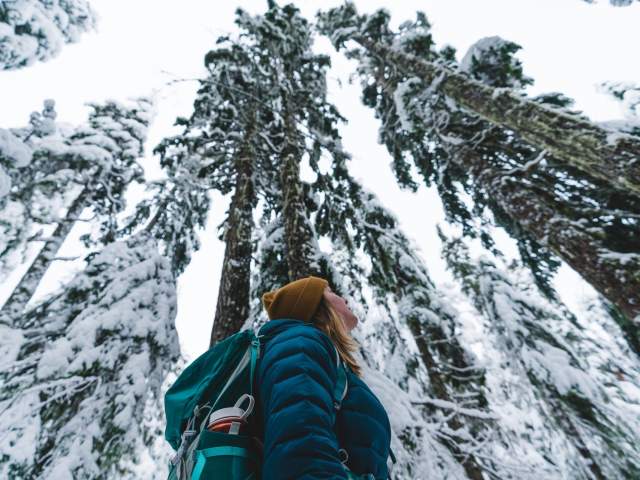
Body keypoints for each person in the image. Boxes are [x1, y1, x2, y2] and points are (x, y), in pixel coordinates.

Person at [255, 276, 392, 480]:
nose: (343, 298)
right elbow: (300, 440)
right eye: (331, 292)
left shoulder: (312, 350)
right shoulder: (301, 343)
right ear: (317, 306)